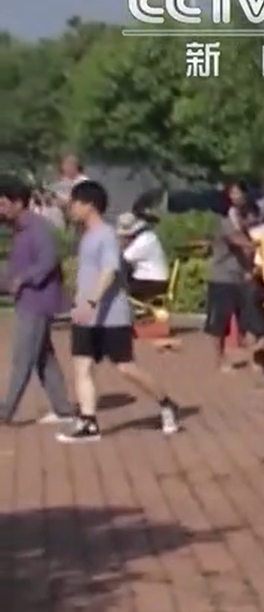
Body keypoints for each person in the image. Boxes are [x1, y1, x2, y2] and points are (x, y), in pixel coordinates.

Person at [57, 181, 181, 442]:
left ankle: (166, 403)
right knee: (82, 366)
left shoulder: (106, 236)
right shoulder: (86, 236)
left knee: (125, 367)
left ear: (90, 205)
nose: (72, 208)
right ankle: (89, 422)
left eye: (75, 203)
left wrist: (91, 302)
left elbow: (109, 271)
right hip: (85, 317)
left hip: (111, 316)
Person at [0, 176, 76, 426]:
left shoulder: (38, 227)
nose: (1, 209)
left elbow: (48, 259)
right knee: (43, 357)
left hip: (37, 301)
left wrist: (23, 279)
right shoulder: (20, 228)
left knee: (23, 358)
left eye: (3, 204)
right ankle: (63, 409)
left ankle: (6, 411)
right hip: (28, 300)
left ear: (18, 203)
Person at [205, 182, 264, 371]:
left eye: (239, 192)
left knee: (249, 321)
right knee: (219, 323)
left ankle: (253, 359)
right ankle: (219, 361)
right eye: (232, 193)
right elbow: (236, 239)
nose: (237, 196)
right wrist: (258, 244)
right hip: (222, 277)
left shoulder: (248, 217)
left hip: (243, 276)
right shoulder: (224, 220)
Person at [118, 211, 171, 308]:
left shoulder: (143, 242)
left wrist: (121, 246)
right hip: (151, 281)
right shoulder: (149, 237)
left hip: (151, 283)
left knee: (117, 288)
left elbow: (122, 259)